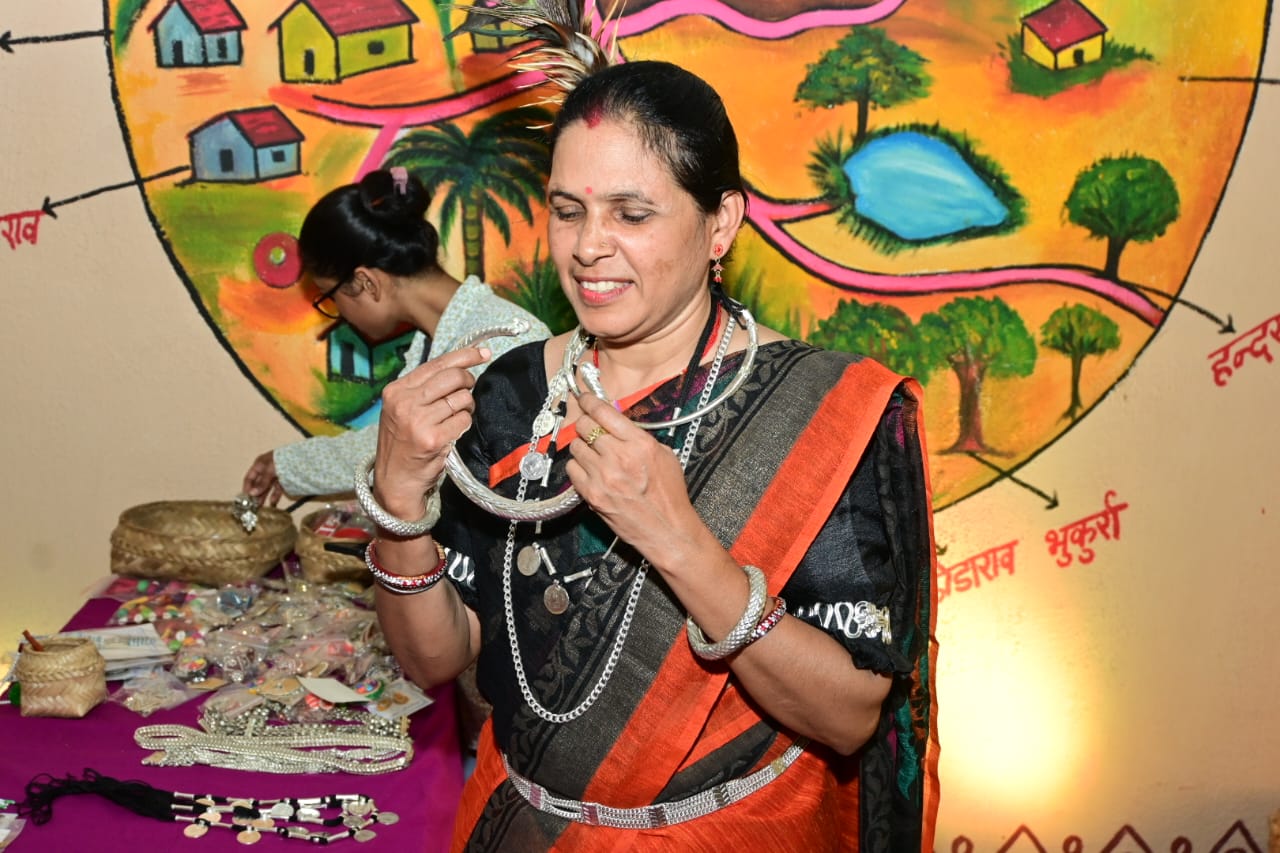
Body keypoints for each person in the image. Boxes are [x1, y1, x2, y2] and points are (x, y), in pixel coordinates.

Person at [360, 17, 939, 851]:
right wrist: (398, 502)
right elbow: (436, 659)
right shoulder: (509, 394)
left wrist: (680, 542)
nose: (588, 248)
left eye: (631, 213)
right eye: (568, 211)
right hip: (517, 826)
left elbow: (849, 717)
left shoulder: (825, 413)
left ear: (720, 224)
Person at [241, 167, 551, 506]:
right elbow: (393, 443)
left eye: (330, 297)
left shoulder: (506, 341)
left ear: (366, 283)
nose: (339, 312)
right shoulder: (438, 338)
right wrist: (286, 465)